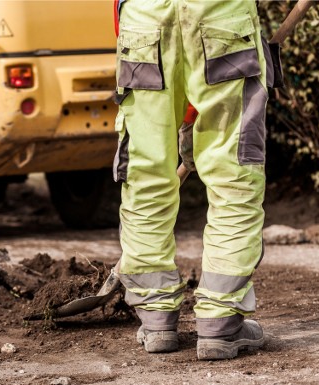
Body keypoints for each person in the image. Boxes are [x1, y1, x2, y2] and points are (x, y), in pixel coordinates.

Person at [113, 0, 267, 360]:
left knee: (146, 171)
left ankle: (156, 319)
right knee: (234, 174)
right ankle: (220, 322)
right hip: (221, 15)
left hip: (144, 17)